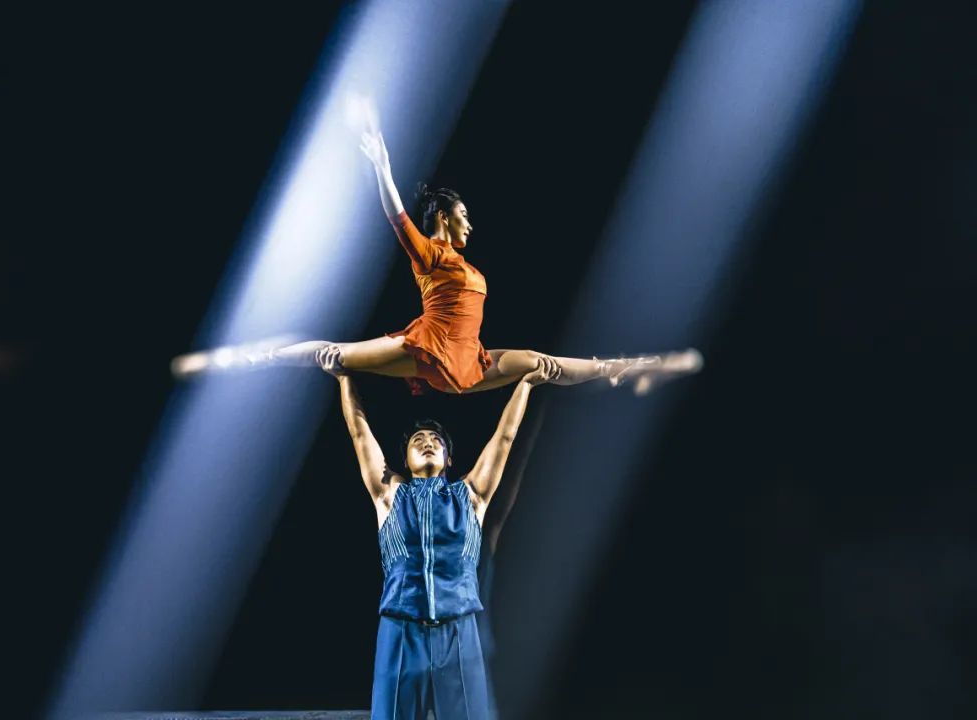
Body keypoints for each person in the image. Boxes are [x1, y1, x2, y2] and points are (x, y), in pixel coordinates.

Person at [171, 124, 702, 395]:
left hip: (470, 361)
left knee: (544, 365)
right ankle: (245, 359)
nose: (471, 224)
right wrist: (382, 165)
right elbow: (396, 216)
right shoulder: (431, 254)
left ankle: (635, 368)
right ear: (444, 217)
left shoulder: (466, 265)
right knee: (333, 356)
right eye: (464, 215)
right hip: (428, 350)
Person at [318, 344, 557, 719]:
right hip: (401, 630)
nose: (427, 443)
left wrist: (525, 385)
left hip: (458, 631)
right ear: (406, 460)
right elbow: (360, 435)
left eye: (435, 441)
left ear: (448, 458)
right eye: (418, 442)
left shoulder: (472, 495)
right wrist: (344, 378)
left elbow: (504, 438)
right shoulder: (389, 494)